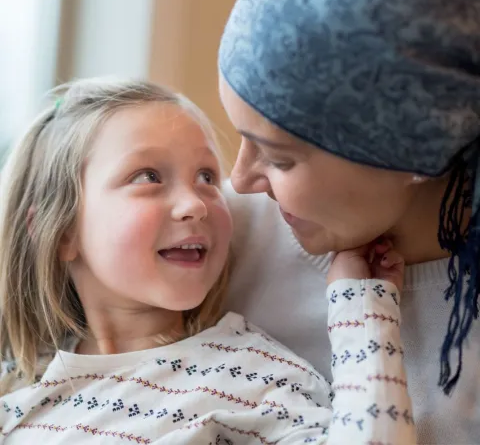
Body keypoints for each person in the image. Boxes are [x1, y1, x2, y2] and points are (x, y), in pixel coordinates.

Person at [0, 78, 415, 443]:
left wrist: (361, 309)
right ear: (64, 231)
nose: (194, 204)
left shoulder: (256, 377)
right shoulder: (16, 390)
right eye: (148, 176)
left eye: (206, 178)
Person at [218, 0, 480, 443]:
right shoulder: (213, 238)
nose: (238, 179)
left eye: (278, 158)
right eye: (239, 137)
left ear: (414, 152)